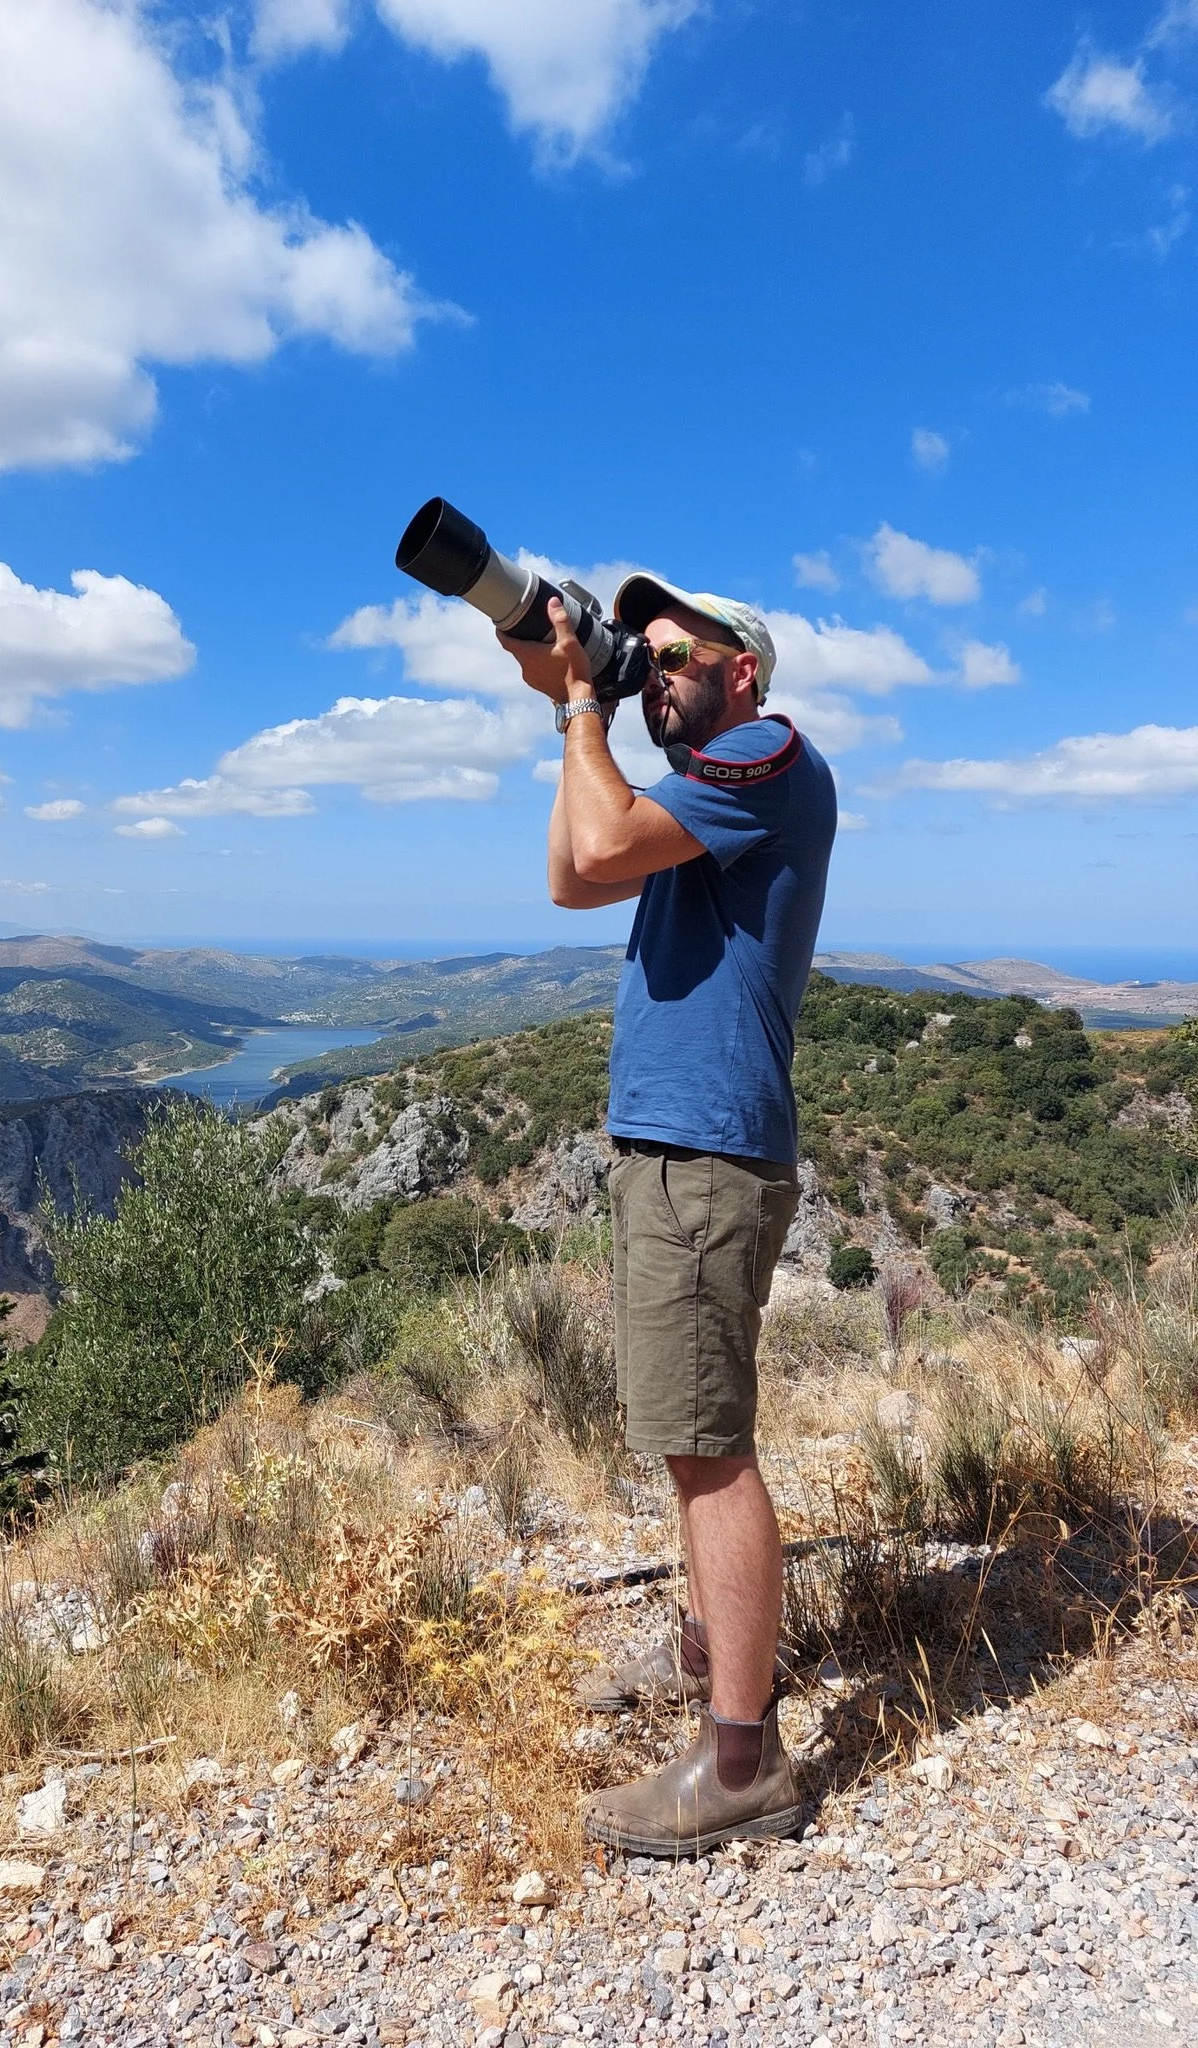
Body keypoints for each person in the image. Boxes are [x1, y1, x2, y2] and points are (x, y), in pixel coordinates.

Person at [497, 572, 836, 1856]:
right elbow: (571, 878)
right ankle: (712, 1653)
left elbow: (592, 850)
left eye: (678, 648)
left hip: (704, 1155)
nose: (661, 663)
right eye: (652, 648)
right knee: (685, 1429)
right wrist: (571, 705)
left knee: (708, 1444)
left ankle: (740, 1759)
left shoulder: (765, 750)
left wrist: (587, 699)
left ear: (744, 668)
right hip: (677, 1149)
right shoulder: (702, 789)